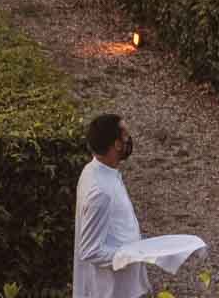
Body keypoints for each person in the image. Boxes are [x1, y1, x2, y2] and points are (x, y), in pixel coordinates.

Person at [74, 113, 148, 298]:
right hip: (113, 290)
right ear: (116, 144)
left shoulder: (96, 170)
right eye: (125, 136)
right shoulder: (100, 192)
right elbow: (90, 250)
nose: (129, 140)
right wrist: (130, 254)